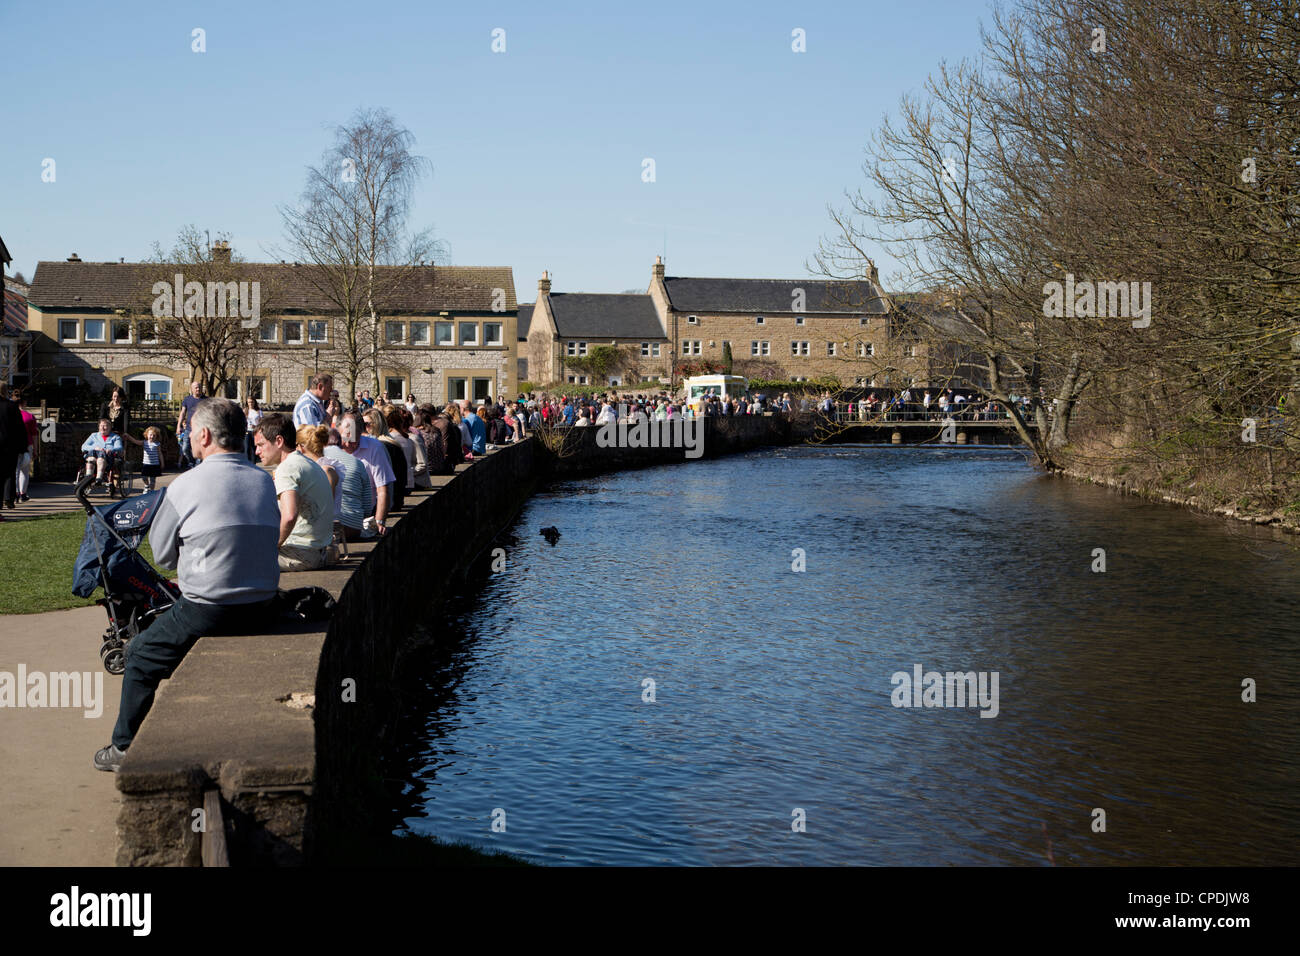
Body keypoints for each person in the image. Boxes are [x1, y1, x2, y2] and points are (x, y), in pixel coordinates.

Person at [93, 398, 279, 771]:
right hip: (264, 603)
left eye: (192, 431)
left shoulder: (185, 485)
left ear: (205, 436)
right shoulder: (264, 479)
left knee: (140, 657)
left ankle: (123, 748)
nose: (188, 436)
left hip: (209, 608)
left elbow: (162, 557)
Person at [254, 413, 335, 571]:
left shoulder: (287, 468)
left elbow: (290, 516)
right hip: (320, 551)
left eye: (261, 445)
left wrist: (272, 545)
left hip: (300, 554)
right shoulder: (307, 463)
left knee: (236, 559)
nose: (257, 451)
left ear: (279, 441)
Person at [341, 413, 393, 534]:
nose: (348, 445)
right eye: (345, 439)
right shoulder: (330, 447)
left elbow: (382, 489)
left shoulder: (375, 448)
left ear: (361, 433)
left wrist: (379, 521)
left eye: (354, 441)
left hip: (366, 513)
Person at [322, 426, 374, 541]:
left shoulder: (317, 459)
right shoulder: (357, 463)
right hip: (353, 527)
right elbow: (367, 503)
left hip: (328, 528)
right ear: (341, 442)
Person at [0, 385, 27, 517]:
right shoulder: (11, 407)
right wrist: (23, 447)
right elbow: (20, 429)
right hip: (9, 446)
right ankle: (8, 499)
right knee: (9, 473)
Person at [81, 419, 125, 493]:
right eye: (101, 426)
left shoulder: (115, 437)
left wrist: (111, 449)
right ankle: (88, 478)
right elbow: (84, 446)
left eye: (105, 426)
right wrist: (94, 448)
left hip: (107, 458)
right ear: (98, 427)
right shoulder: (93, 435)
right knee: (91, 456)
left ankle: (99, 478)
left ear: (110, 427)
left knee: (101, 455)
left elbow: (119, 447)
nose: (103, 428)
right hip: (93, 456)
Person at [11, 388, 37, 505]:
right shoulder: (29, 417)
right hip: (27, 445)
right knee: (24, 471)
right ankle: (23, 493)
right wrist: (36, 449)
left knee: (14, 471)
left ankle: (15, 493)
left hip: (13, 445)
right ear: (25, 402)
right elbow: (34, 434)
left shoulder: (10, 414)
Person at [175, 381, 205, 471]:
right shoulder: (187, 399)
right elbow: (183, 413)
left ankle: (197, 465)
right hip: (188, 428)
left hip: (201, 428)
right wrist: (178, 426)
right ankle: (191, 462)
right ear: (192, 389)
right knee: (185, 449)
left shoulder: (206, 400)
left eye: (199, 387)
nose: (198, 389)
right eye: (196, 387)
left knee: (199, 448)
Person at [140, 426, 164, 491]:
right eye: (150, 435)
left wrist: (162, 463)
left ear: (156, 436)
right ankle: (146, 486)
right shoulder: (144, 443)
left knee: (152, 480)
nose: (152, 436)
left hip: (154, 465)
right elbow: (135, 441)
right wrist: (128, 437)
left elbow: (160, 453)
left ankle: (151, 491)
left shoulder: (157, 444)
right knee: (144, 477)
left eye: (154, 435)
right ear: (147, 435)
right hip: (146, 464)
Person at [243, 397, 263, 461]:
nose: (250, 403)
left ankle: (253, 462)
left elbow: (262, 422)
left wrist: (256, 426)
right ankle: (246, 461)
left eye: (252, 402)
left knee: (254, 447)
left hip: (255, 431)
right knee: (247, 447)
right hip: (247, 431)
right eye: (249, 402)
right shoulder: (245, 411)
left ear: (254, 402)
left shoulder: (258, 411)